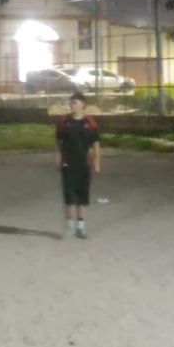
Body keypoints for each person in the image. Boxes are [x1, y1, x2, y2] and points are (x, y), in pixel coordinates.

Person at [55, 92, 101, 239]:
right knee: (70, 197)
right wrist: (58, 158)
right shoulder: (64, 122)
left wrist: (97, 162)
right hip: (68, 163)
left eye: (76, 103)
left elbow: (96, 144)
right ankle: (70, 224)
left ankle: (81, 226)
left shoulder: (90, 123)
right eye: (71, 103)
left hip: (84, 164)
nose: (73, 105)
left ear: (83, 105)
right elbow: (58, 142)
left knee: (81, 198)